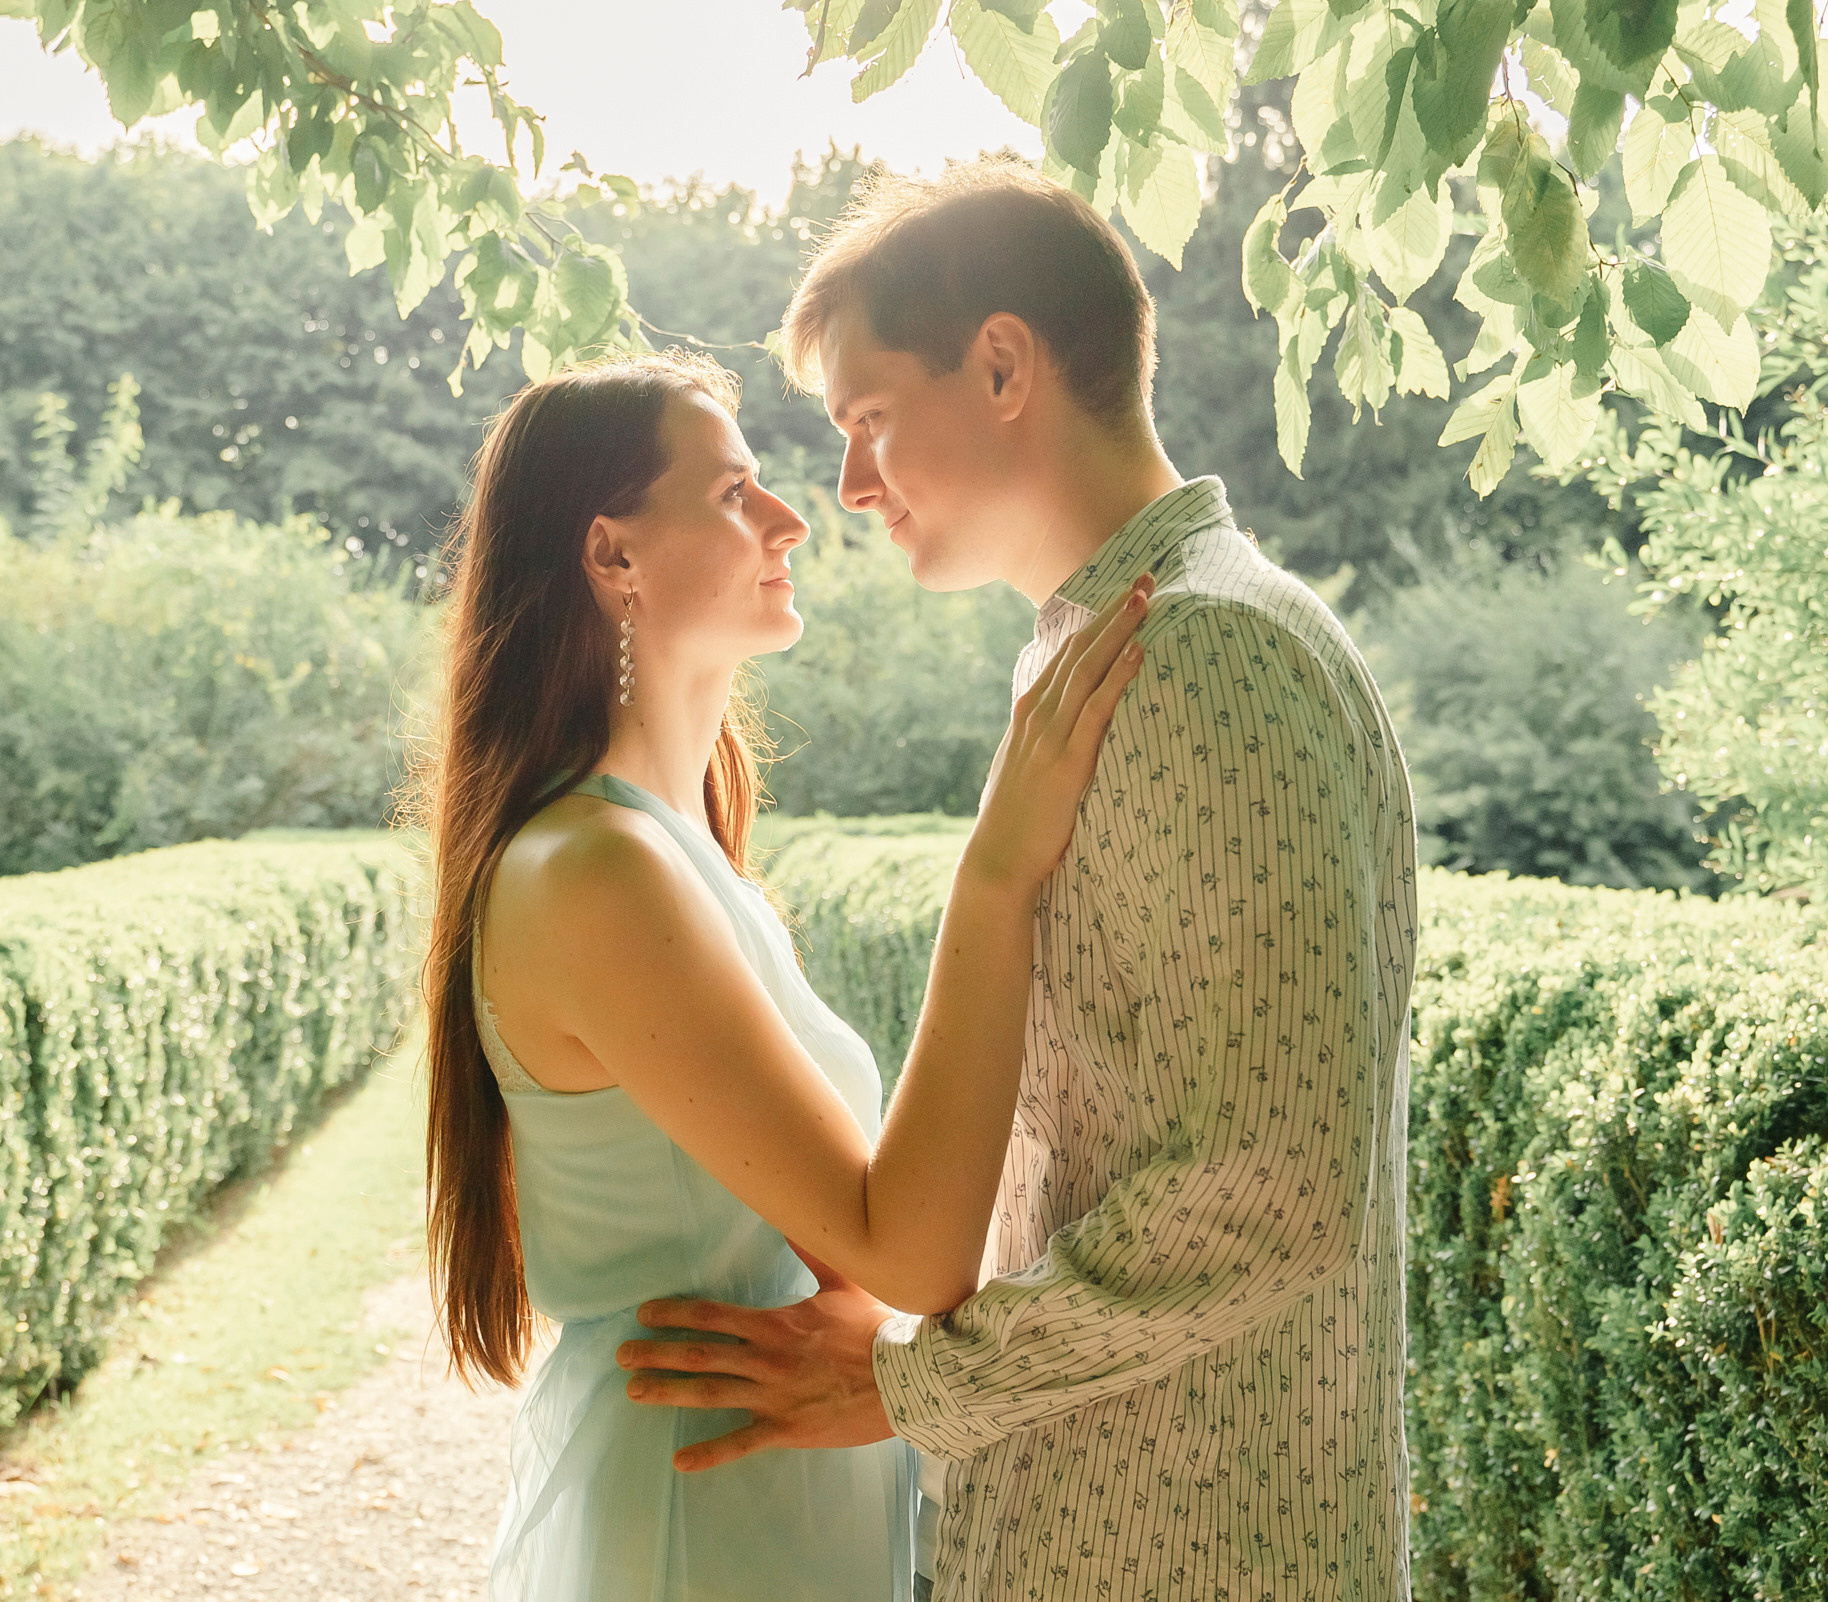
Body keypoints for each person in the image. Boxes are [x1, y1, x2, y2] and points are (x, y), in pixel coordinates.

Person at [617, 159, 1418, 1602]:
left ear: (1001, 366)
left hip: (1190, 1550)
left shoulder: (1204, 655)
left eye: (869, 419)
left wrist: (911, 1380)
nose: (850, 487)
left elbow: (1271, 1183)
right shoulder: (1113, 649)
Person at [409, 348, 1152, 1601]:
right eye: (732, 492)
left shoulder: (679, 854)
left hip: (772, 1486)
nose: (790, 517)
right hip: (705, 1515)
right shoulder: (593, 873)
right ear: (612, 556)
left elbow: (845, 1254)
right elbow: (906, 1248)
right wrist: (996, 878)